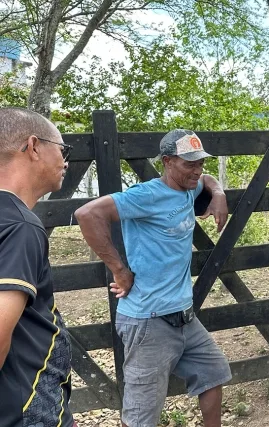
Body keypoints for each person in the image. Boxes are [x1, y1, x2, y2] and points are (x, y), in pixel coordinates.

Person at [75, 129, 232, 427]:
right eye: (189, 164)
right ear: (168, 162)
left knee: (213, 374)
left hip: (184, 318)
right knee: (141, 415)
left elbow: (206, 182)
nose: (197, 170)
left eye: (200, 163)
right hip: (149, 320)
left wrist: (219, 194)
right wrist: (119, 270)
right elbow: (87, 213)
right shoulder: (146, 195)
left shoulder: (189, 186)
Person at [0, 107, 75, 427]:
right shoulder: (20, 225)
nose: (65, 161)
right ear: (33, 147)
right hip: (27, 408)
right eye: (61, 149)